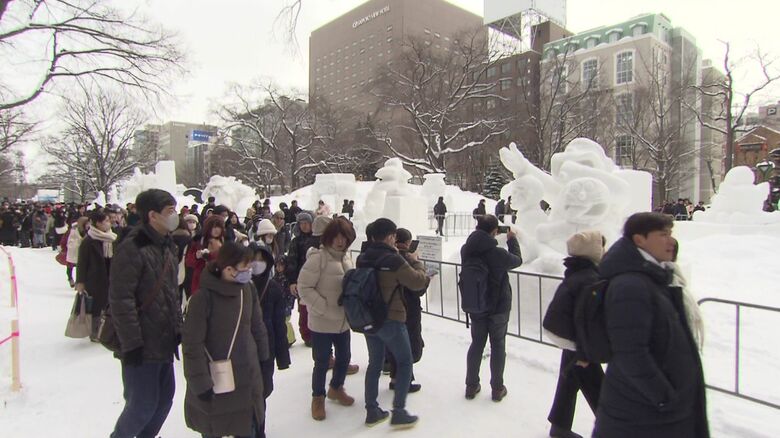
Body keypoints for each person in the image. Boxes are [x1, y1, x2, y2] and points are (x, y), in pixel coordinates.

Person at [593, 212, 709, 438]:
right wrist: (664, 397)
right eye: (663, 235)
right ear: (639, 240)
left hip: (655, 413)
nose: (671, 241)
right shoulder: (630, 286)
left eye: (671, 234)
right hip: (643, 414)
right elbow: (630, 353)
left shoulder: (654, 278)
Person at [108, 189, 182, 438]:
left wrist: (177, 327)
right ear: (152, 215)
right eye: (170, 211)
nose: (175, 216)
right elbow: (121, 299)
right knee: (141, 405)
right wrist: (132, 343)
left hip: (163, 340)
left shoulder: (167, 245)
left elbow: (171, 292)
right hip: (141, 344)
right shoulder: (132, 247)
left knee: (163, 401)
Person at [182, 241, 270, 438]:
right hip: (217, 378)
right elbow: (192, 345)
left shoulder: (247, 290)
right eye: (245, 268)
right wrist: (200, 382)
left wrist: (265, 362)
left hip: (248, 375)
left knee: (249, 425)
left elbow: (257, 327)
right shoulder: (202, 299)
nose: (249, 272)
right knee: (216, 425)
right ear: (229, 269)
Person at [358, 218, 430, 428]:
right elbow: (417, 281)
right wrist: (416, 261)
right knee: (405, 361)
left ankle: (372, 410)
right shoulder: (394, 259)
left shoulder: (363, 258)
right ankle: (398, 411)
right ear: (390, 236)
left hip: (369, 318)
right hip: (392, 317)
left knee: (374, 364)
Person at [542, 231, 606, 438]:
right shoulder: (589, 277)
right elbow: (584, 317)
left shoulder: (579, 271)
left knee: (570, 380)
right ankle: (614, 429)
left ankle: (559, 426)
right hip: (580, 343)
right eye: (601, 246)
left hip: (573, 340)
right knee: (599, 390)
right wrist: (584, 352)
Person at [297, 217, 357, 421]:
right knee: (322, 362)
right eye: (336, 237)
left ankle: (336, 387)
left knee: (344, 357)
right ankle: (318, 397)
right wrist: (322, 307)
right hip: (322, 322)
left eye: (344, 237)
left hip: (342, 321)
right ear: (329, 237)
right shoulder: (318, 258)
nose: (340, 241)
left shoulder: (346, 258)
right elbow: (304, 287)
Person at [461, 214, 522, 402]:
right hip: (498, 307)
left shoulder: (466, 250)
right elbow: (517, 260)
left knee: (476, 344)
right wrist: (512, 240)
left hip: (476, 305)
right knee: (498, 345)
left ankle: (471, 385)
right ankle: (497, 388)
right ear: (495, 231)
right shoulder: (498, 254)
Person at [387, 228, 426, 393]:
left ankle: (395, 378)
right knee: (409, 346)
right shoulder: (406, 261)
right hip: (408, 307)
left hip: (390, 307)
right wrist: (417, 264)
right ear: (408, 243)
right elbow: (418, 287)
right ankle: (405, 381)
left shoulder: (388, 257)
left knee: (395, 343)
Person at [76, 210, 117, 340]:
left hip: (111, 277)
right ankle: (95, 333)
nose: (109, 223)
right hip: (94, 280)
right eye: (106, 221)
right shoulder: (88, 241)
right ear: (98, 223)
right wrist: (80, 282)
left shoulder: (113, 238)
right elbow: (82, 263)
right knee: (96, 307)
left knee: (110, 305)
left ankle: (107, 331)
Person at [286, 212, 318, 347]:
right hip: (302, 279)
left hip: (317, 279)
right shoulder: (296, 241)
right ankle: (307, 334)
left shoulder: (318, 239)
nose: (304, 226)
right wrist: (292, 281)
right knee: (304, 309)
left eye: (307, 223)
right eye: (302, 223)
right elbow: (292, 262)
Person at [185, 215, 226, 296]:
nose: (216, 230)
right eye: (213, 227)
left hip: (219, 283)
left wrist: (213, 254)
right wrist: (197, 256)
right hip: (200, 282)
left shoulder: (225, 242)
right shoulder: (198, 241)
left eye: (219, 227)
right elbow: (189, 262)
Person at [65, 216, 89, 288]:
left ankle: (78, 282)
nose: (88, 225)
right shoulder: (73, 231)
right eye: (87, 223)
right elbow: (67, 241)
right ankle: (70, 279)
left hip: (82, 252)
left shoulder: (88, 231)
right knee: (70, 267)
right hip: (73, 251)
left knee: (80, 268)